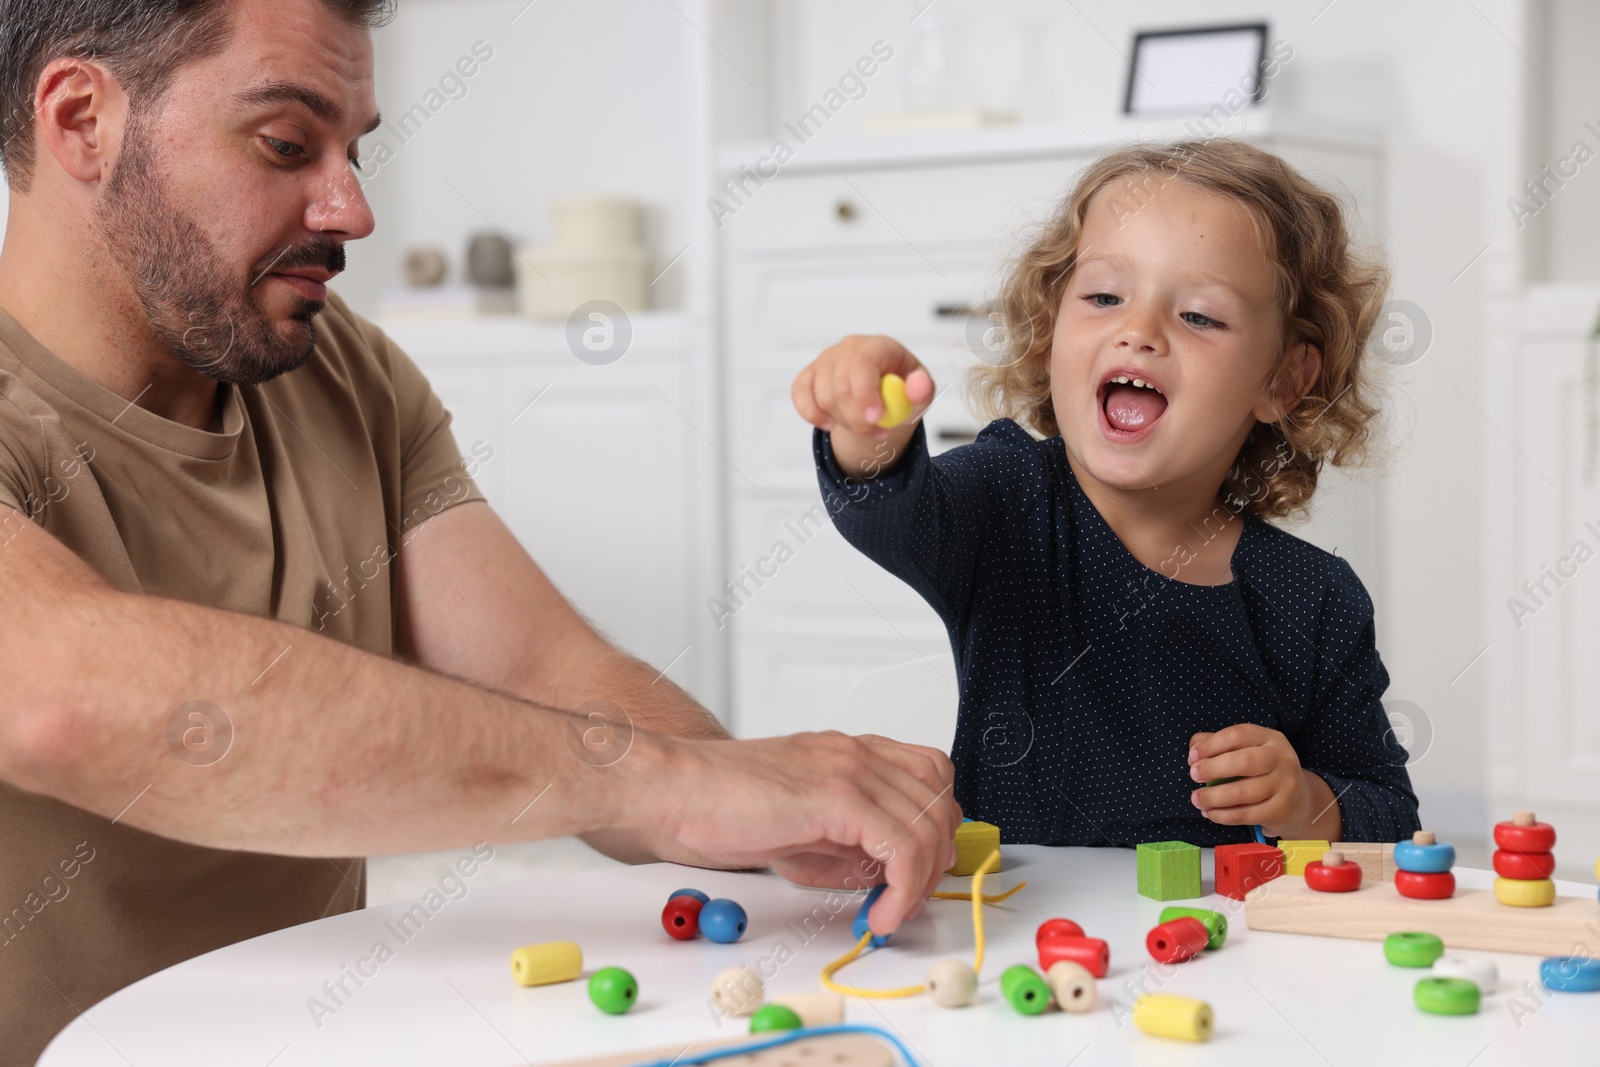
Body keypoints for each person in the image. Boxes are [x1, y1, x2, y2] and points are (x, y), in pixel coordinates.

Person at [0, 1, 960, 1060]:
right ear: (83, 119)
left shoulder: (337, 370)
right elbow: (63, 696)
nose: (352, 207)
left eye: (354, 148)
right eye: (286, 143)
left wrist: (770, 811)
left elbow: (538, 666)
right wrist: (678, 783)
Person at [792, 138, 1421, 849]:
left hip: (1224, 948)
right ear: (1051, 327)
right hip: (1015, 937)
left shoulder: (1315, 600)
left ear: (1282, 381)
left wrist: (1307, 801)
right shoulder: (1010, 498)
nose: (1138, 331)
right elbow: (892, 516)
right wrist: (869, 431)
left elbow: (1393, 817)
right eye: (1103, 297)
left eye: (1200, 316)